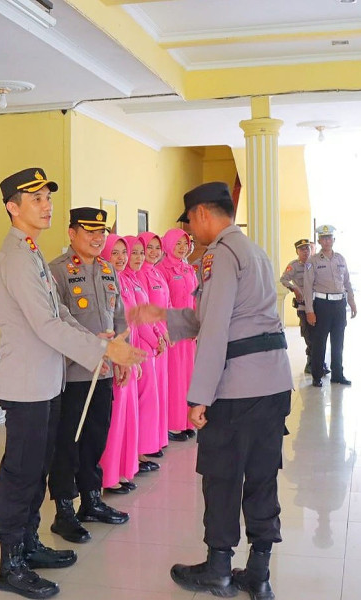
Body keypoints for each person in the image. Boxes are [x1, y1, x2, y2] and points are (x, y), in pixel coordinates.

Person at [130, 182, 293, 600]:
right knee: (262, 475)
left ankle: (219, 569)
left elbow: (217, 328)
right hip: (273, 383)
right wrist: (163, 314)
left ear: (203, 213)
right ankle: (258, 572)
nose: (189, 231)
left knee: (222, 475)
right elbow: (217, 316)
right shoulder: (252, 250)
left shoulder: (219, 254)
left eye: (190, 221)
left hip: (238, 388)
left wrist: (199, 396)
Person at [0, 167, 144, 599]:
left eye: (47, 198)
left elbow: (60, 314)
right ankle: (10, 564)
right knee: (21, 472)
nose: (46, 205)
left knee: (38, 468)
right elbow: (45, 324)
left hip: (47, 381)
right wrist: (102, 350)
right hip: (27, 384)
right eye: (36, 199)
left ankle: (29, 543)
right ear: (12, 207)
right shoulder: (16, 256)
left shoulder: (32, 252)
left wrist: (101, 343)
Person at [45, 208, 130, 545]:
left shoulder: (108, 270)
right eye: (89, 231)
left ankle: (91, 500)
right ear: (71, 233)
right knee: (68, 441)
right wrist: (92, 346)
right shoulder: (57, 271)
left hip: (104, 372)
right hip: (74, 374)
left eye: (101, 232)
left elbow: (119, 317)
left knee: (96, 436)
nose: (97, 238)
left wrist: (121, 354)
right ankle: (64, 509)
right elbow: (58, 322)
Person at [99, 235, 141, 495]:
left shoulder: (123, 280)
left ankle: (122, 470)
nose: (122, 258)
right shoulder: (105, 281)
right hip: (113, 358)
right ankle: (108, 476)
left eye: (123, 252)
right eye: (114, 252)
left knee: (125, 418)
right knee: (113, 421)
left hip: (125, 355)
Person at [122, 235, 167, 472]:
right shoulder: (125, 279)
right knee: (142, 400)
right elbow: (135, 319)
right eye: (136, 252)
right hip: (137, 346)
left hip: (147, 343)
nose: (139, 257)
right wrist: (154, 339)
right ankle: (136, 454)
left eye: (142, 252)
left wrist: (159, 335)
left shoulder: (133, 279)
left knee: (148, 399)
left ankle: (141, 451)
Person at [304, 224, 357, 386]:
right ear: (319, 241)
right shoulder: (312, 261)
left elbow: (347, 282)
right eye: (323, 238)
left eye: (329, 238)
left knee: (338, 341)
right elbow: (307, 287)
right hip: (322, 305)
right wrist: (309, 311)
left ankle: (337, 374)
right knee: (319, 342)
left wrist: (352, 302)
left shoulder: (340, 259)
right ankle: (317, 375)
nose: (327, 241)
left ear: (334, 239)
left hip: (339, 305)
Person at [138, 231, 178, 446]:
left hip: (162, 337)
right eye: (149, 248)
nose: (153, 252)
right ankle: (147, 444)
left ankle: (158, 440)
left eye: (157, 248)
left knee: (161, 391)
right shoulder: (140, 274)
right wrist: (160, 334)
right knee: (150, 396)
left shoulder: (156, 273)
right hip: (150, 339)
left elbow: (167, 304)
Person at [160, 228, 198, 440]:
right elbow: (162, 302)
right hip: (173, 331)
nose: (182, 248)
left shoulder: (188, 268)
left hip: (188, 332)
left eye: (185, 244)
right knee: (174, 379)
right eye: (178, 244)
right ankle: (173, 424)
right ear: (168, 245)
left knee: (187, 377)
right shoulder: (162, 269)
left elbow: (195, 298)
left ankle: (186, 421)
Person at [280, 239, 317, 374]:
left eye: (307, 248)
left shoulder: (315, 263)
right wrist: (294, 288)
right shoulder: (294, 266)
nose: (305, 251)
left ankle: (318, 362)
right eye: (302, 249)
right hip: (303, 306)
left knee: (318, 335)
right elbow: (283, 279)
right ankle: (311, 361)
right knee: (308, 335)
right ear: (297, 251)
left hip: (317, 304)